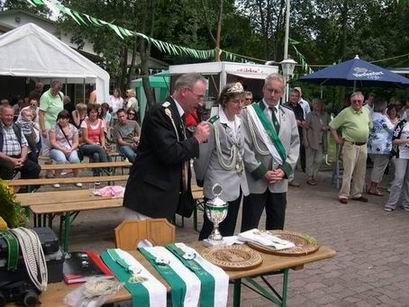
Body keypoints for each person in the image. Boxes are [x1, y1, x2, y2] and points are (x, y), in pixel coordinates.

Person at [123, 73, 210, 220]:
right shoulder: (160, 113)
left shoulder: (176, 114)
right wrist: (196, 139)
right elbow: (169, 153)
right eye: (199, 96)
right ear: (184, 91)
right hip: (147, 200)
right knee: (141, 243)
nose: (201, 103)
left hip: (160, 198)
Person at [240, 73, 300, 231]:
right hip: (257, 180)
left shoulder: (289, 115)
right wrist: (261, 172)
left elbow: (295, 144)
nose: (273, 95)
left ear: (282, 92)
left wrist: (284, 170)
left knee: (277, 229)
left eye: (277, 91)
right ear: (263, 89)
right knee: (249, 229)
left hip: (279, 182)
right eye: (270, 90)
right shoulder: (248, 113)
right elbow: (244, 147)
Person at [195, 82, 249, 240]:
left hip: (237, 184)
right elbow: (202, 158)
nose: (240, 105)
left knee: (229, 229)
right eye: (235, 101)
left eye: (242, 101)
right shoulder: (212, 125)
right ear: (225, 101)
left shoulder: (240, 122)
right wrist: (201, 179)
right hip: (218, 185)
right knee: (211, 229)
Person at [329, 91, 372, 204]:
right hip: (350, 145)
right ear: (351, 101)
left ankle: (357, 194)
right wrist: (337, 139)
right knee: (348, 171)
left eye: (359, 101)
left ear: (363, 102)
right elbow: (332, 126)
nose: (357, 103)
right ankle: (344, 195)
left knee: (361, 172)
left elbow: (369, 126)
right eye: (354, 101)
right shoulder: (346, 112)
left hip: (363, 145)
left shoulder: (366, 111)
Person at [0, 105, 41, 183]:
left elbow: (24, 145)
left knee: (35, 168)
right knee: (8, 168)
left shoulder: (17, 127)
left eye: (11, 115)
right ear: (1, 115)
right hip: (3, 159)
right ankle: (6, 192)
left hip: (19, 157)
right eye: (7, 115)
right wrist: (12, 160)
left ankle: (23, 189)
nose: (9, 117)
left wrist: (22, 158)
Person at [367, 98, 394, 196]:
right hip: (383, 147)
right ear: (383, 108)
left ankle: (372, 186)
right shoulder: (383, 118)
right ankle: (373, 188)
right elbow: (392, 131)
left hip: (371, 146)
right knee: (379, 167)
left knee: (376, 166)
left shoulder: (371, 115)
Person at [384, 107, 409, 212]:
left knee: (408, 181)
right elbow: (394, 140)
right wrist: (406, 141)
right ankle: (391, 204)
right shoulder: (401, 124)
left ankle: (406, 203)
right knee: (399, 178)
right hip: (401, 155)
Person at [49, 110, 82, 188]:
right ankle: (56, 180)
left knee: (75, 159)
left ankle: (76, 179)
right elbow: (53, 142)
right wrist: (62, 149)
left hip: (70, 148)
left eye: (63, 118)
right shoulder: (54, 127)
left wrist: (71, 149)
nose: (61, 120)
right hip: (56, 148)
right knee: (61, 159)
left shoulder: (73, 128)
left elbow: (76, 142)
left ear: (68, 119)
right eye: (60, 118)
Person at [79, 104, 111, 176]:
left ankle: (96, 176)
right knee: (99, 148)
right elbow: (85, 138)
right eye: (92, 112)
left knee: (96, 155)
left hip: (98, 146)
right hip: (86, 145)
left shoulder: (101, 121)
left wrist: (103, 144)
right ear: (88, 113)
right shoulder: (85, 122)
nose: (94, 114)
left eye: (95, 112)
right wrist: (96, 145)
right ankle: (108, 167)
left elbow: (102, 136)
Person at [304, 98, 329, 185]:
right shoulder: (309, 115)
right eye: (315, 104)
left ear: (322, 105)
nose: (317, 105)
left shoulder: (325, 115)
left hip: (321, 141)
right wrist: (305, 140)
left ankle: (314, 175)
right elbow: (305, 128)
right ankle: (310, 177)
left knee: (318, 160)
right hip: (311, 140)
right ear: (312, 105)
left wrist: (326, 127)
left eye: (319, 104)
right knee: (310, 160)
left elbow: (330, 126)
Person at [39, 80, 64, 157]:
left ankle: (55, 166)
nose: (55, 92)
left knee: (57, 145)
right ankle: (47, 167)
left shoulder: (61, 95)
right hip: (47, 124)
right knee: (47, 147)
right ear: (51, 87)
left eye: (58, 91)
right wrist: (43, 129)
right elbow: (41, 114)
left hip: (57, 124)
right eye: (54, 90)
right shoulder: (45, 96)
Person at [285, 88, 306, 184]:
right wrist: (294, 122)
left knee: (294, 156)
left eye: (296, 96)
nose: (294, 98)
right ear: (289, 97)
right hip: (286, 134)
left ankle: (291, 178)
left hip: (297, 134)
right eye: (292, 96)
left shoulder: (300, 108)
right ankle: (285, 177)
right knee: (285, 156)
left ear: (299, 98)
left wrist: (302, 122)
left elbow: (301, 118)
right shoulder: (284, 106)